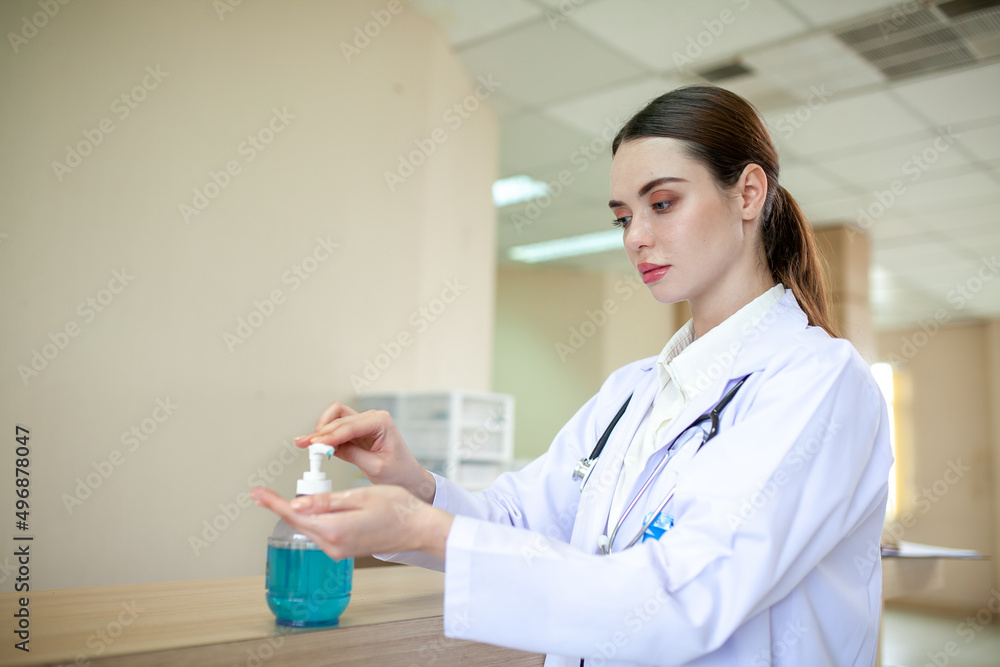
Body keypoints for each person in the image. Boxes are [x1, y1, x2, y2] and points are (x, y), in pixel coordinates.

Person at [251, 85, 894, 666]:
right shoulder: (633, 392)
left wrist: (424, 530)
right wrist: (412, 485)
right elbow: (520, 518)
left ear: (748, 193)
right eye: (623, 217)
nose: (635, 237)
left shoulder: (819, 383)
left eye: (662, 203)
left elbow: (689, 594)